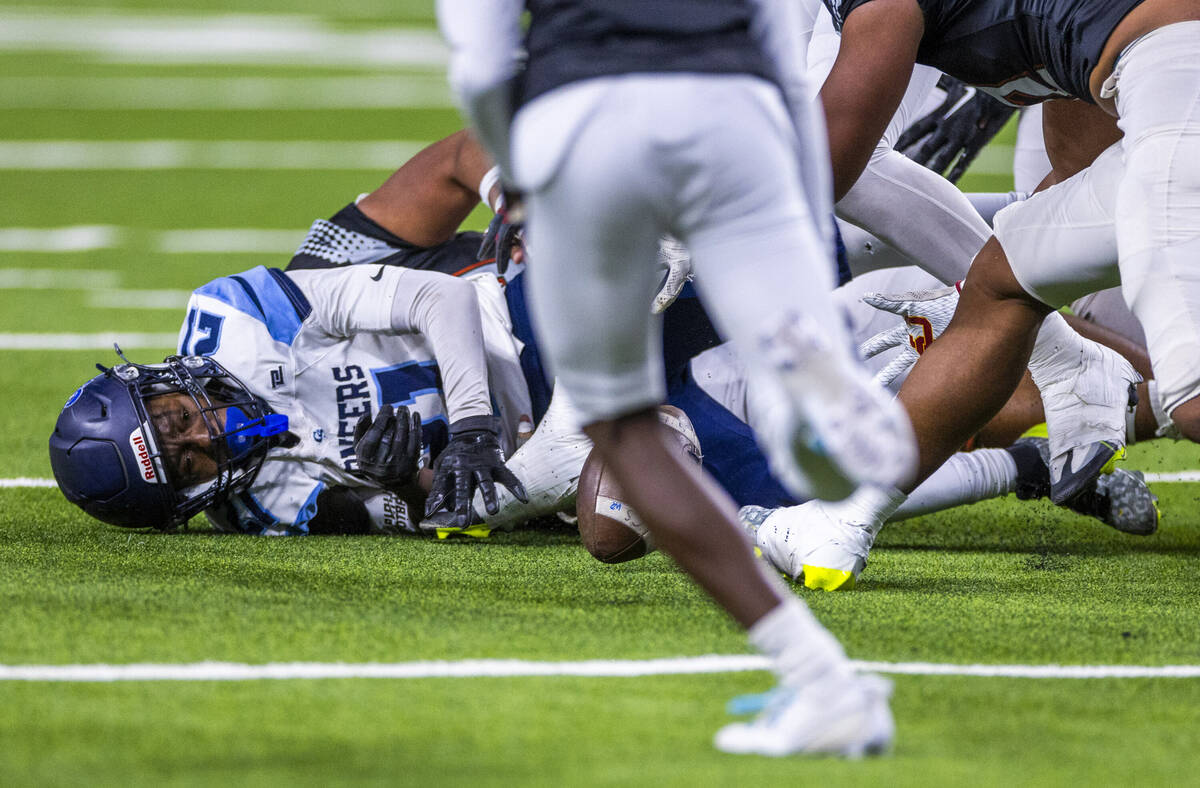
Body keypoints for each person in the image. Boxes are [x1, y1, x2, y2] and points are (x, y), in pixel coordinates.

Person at [438, 0, 928, 759]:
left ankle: (823, 684)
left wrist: (523, 178)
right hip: (740, 110)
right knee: (782, 338)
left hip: (586, 116)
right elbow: (783, 39)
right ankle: (813, 401)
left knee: (620, 429)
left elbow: (480, 61)